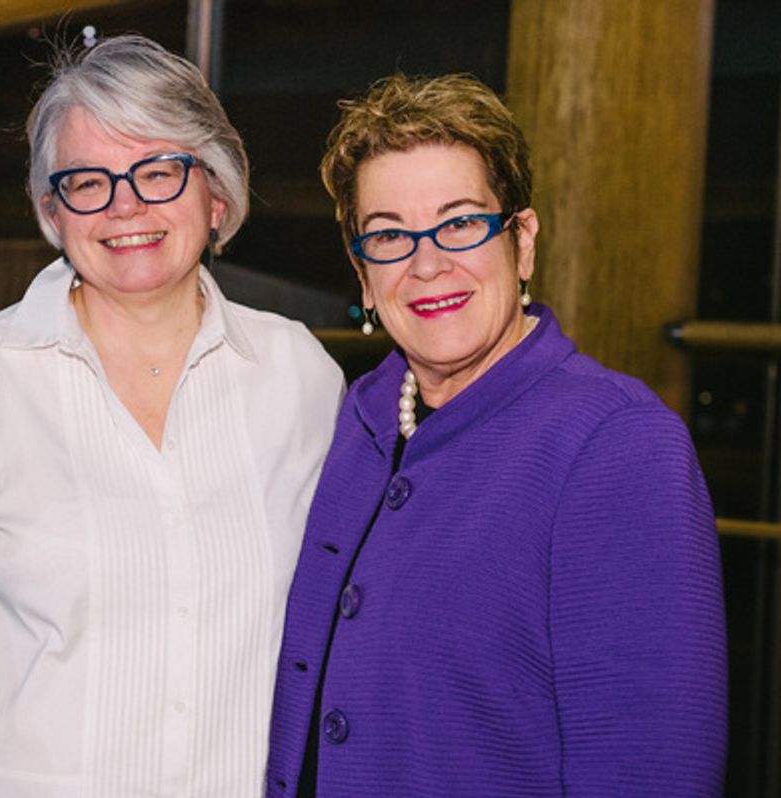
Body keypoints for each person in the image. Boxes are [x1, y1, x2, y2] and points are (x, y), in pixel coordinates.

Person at [0, 35, 342, 797]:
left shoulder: (299, 377)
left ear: (218, 194)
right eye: (87, 181)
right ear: (50, 211)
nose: (125, 204)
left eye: (160, 170)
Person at [265, 74, 727, 796]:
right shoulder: (358, 419)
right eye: (388, 234)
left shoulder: (617, 446)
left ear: (523, 242)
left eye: (459, 223)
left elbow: (651, 771)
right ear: (361, 271)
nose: (426, 263)